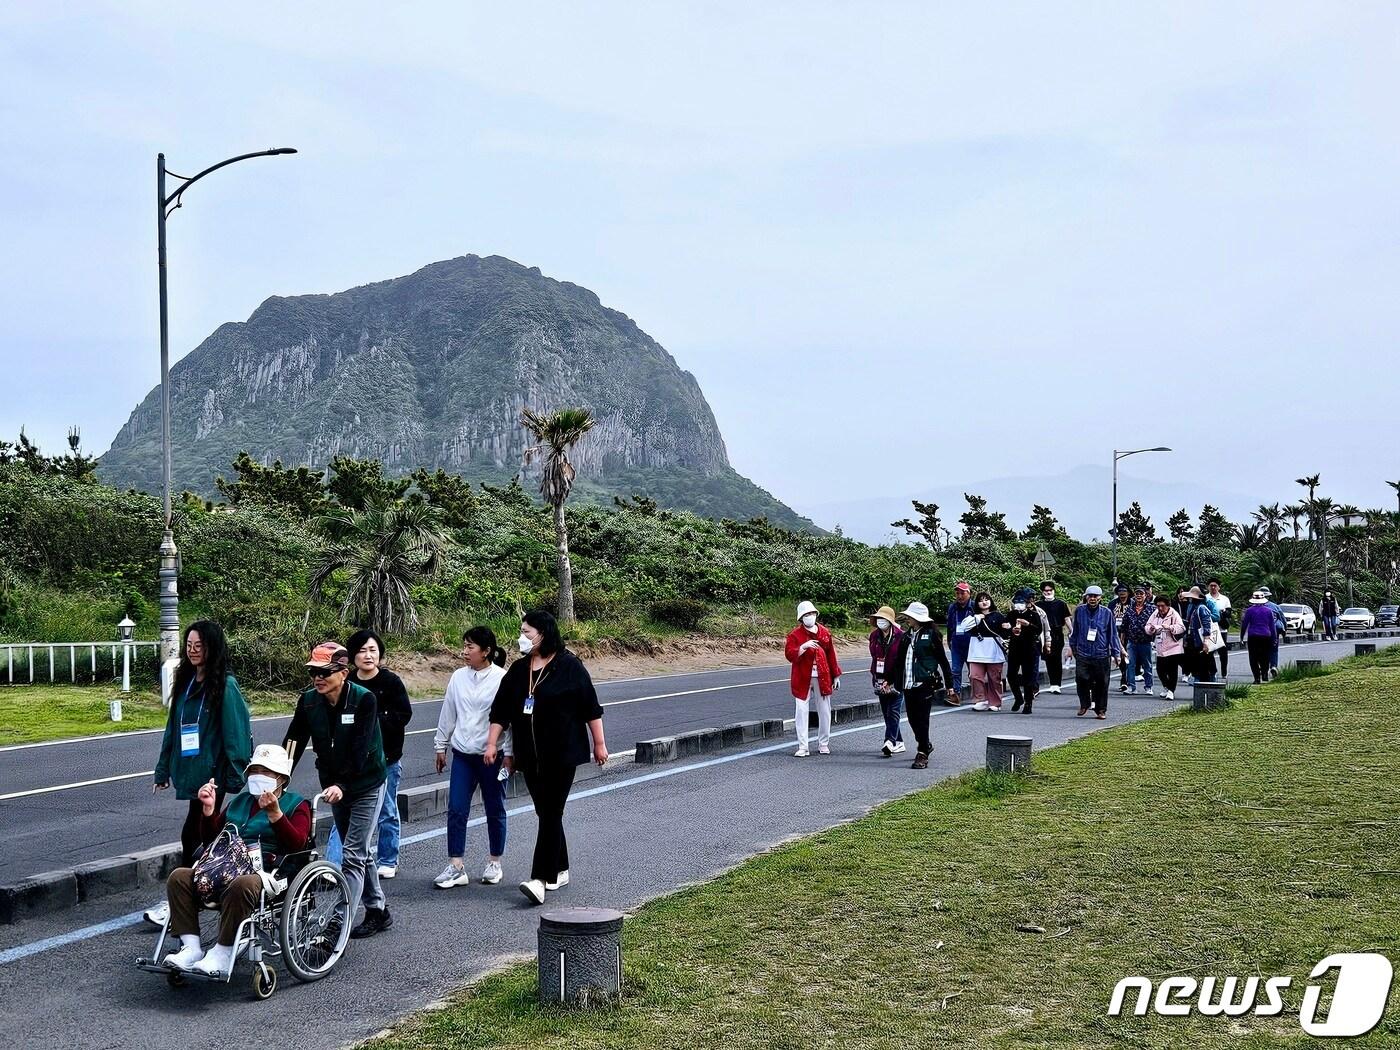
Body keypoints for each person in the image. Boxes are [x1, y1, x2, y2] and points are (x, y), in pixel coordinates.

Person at [485, 611, 607, 905]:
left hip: (562, 755)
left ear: (544, 633)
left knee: (551, 812)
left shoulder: (569, 666)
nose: (521, 637)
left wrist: (599, 744)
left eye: (527, 632)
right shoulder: (519, 669)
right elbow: (501, 711)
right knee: (547, 814)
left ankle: (540, 878)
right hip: (530, 758)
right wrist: (493, 744)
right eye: (521, 631)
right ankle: (560, 868)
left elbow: (591, 707)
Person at [161, 744, 311, 975]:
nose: (258, 777)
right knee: (179, 877)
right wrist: (209, 811)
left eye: (266, 773)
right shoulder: (240, 802)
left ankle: (223, 952)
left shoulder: (297, 805)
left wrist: (276, 815)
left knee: (242, 884)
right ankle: (191, 949)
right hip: (225, 865)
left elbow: (297, 844)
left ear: (280, 778)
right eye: (254, 772)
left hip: (268, 871)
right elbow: (213, 840)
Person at [283, 642, 391, 939]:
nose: (318, 678)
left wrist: (342, 785)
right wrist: (279, 778)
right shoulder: (308, 702)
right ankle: (378, 910)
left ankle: (337, 926)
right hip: (333, 784)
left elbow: (360, 749)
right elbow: (293, 741)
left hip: (366, 782)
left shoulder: (363, 700)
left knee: (353, 855)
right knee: (358, 848)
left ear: (343, 673)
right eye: (313, 672)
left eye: (325, 672)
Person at [148, 620, 252, 927]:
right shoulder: (187, 681)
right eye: (189, 646)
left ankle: (187, 895)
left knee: (194, 832)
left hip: (212, 774)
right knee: (197, 833)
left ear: (213, 648)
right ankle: (198, 888)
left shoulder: (225, 686)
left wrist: (233, 776)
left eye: (200, 646)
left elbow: (235, 733)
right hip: (192, 770)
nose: (193, 652)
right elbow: (172, 729)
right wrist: (162, 768)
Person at [322, 631, 414, 879]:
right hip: (350, 762)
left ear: (380, 654)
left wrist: (371, 725)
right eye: (362, 650)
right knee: (342, 810)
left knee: (387, 810)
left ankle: (388, 859)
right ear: (352, 656)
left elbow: (403, 714)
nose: (368, 655)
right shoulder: (346, 682)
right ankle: (334, 863)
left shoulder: (391, 682)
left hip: (386, 760)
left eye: (373, 650)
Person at [434, 627, 510, 888]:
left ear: (486, 651)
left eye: (470, 647)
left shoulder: (502, 678)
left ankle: (494, 861)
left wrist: (509, 754)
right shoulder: (457, 677)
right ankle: (456, 865)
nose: (464, 652)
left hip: (492, 756)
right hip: (463, 755)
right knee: (456, 808)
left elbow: (508, 720)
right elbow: (449, 712)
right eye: (464, 646)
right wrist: (440, 746)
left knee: (494, 808)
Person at [892, 602, 955, 770]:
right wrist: (892, 680)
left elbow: (942, 660)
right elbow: (899, 661)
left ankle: (922, 753)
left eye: (910, 617)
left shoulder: (932, 634)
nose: (907, 619)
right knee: (912, 719)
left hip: (925, 682)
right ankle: (925, 744)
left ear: (917, 618)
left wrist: (950, 684)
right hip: (908, 683)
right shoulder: (906, 636)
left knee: (922, 719)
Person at [784, 600, 842, 757]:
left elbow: (831, 655)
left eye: (812, 614)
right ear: (801, 618)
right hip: (802, 677)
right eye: (806, 615)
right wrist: (803, 647)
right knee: (801, 710)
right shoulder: (795, 635)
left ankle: (823, 743)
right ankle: (803, 746)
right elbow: (790, 654)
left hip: (822, 676)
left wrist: (835, 675)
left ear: (816, 615)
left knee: (824, 710)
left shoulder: (824, 633)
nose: (809, 617)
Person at [1068, 585, 1118, 719]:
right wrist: (1072, 647)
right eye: (1090, 596)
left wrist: (1116, 653)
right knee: (1081, 679)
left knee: (1102, 682)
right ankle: (1084, 704)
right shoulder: (1079, 611)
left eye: (1095, 596)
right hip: (1083, 652)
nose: (1092, 599)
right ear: (1086, 597)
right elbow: (1074, 631)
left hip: (1101, 653)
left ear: (1100, 598)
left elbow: (1113, 634)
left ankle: (1101, 710)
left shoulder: (1107, 613)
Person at [957, 591, 1008, 712]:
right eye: (981, 600)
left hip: (994, 650)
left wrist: (1008, 628)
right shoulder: (972, 616)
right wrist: (977, 618)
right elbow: (964, 627)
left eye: (986, 599)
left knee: (994, 678)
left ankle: (995, 702)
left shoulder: (998, 616)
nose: (984, 602)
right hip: (976, 651)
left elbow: (1005, 632)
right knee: (975, 676)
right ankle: (980, 700)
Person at [867, 605, 905, 757]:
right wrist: (879, 679)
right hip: (879, 678)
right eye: (878, 619)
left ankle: (889, 741)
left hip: (896, 678)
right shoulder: (874, 636)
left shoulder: (901, 636)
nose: (880, 621)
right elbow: (874, 657)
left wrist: (891, 681)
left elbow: (901, 662)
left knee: (893, 710)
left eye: (884, 619)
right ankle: (899, 742)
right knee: (886, 712)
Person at [1004, 588, 1044, 714]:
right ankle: (1018, 698)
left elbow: (1038, 630)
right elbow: (1006, 630)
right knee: (1011, 675)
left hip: (1029, 649)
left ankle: (1028, 703)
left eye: (1022, 601)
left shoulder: (1034, 615)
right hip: (1015, 648)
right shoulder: (1011, 615)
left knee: (1028, 677)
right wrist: (1010, 630)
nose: (1019, 604)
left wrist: (1028, 625)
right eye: (1017, 602)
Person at [1145, 595, 1187, 700]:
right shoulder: (1155, 614)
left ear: (1168, 606)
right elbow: (1147, 626)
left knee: (1172, 670)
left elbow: (1182, 627)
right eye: (1158, 606)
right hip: (1160, 645)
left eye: (1162, 606)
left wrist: (1170, 628)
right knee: (1160, 670)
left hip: (1174, 646)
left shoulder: (1174, 614)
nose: (1160, 608)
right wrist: (1151, 629)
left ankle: (1171, 691)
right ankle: (1166, 687)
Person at [1037, 581, 1072, 694]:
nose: (1048, 592)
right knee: (1048, 658)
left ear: (1054, 591)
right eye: (1046, 591)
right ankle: (1053, 682)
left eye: (1050, 590)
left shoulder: (1061, 604)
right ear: (1042, 592)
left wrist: (1072, 631)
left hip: (1057, 633)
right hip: (1044, 634)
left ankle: (1056, 684)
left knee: (1056, 658)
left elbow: (1066, 619)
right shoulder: (1038, 605)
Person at [1178, 586, 1217, 684]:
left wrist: (1206, 641)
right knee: (1195, 661)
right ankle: (1198, 679)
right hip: (1193, 639)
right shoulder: (1193, 608)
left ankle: (1205, 682)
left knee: (1204, 663)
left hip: (1201, 640)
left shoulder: (1202, 608)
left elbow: (1206, 625)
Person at [1120, 587, 1155, 695]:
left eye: (1141, 594)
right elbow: (1124, 626)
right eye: (1137, 594)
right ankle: (1131, 686)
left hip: (1146, 641)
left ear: (1145, 596)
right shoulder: (1130, 609)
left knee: (1147, 665)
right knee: (1130, 664)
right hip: (1132, 641)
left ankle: (1148, 686)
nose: (1139, 596)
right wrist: (1122, 640)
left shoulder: (1151, 609)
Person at [1240, 591, 1280, 683]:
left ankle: (1257, 678)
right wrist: (1274, 638)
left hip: (1253, 636)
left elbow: (1244, 624)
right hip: (1266, 636)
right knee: (1265, 656)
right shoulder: (1268, 611)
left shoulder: (1249, 611)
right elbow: (1272, 626)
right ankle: (1265, 675)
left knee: (1253, 657)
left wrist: (1241, 637)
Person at [945, 582, 975, 696]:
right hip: (956, 643)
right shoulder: (952, 607)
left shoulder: (974, 606)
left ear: (969, 593)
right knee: (955, 670)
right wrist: (949, 640)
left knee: (973, 672)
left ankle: (977, 694)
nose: (959, 596)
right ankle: (955, 694)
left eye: (962, 593)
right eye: (957, 593)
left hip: (971, 644)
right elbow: (949, 626)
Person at [1206, 579, 1233, 679]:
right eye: (1211, 586)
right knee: (1209, 652)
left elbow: (1229, 613)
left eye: (1215, 586)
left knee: (1223, 651)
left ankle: (1224, 672)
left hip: (1221, 629)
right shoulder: (1205, 598)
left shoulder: (1224, 599)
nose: (1213, 587)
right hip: (1210, 628)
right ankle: (1212, 671)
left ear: (1219, 587)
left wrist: (1224, 613)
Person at [1258, 586, 1286, 678]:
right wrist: (1284, 630)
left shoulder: (1255, 607)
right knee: (1273, 650)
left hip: (1260, 633)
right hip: (1273, 632)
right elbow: (1282, 619)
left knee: (1261, 650)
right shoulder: (1275, 607)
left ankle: (1262, 668)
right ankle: (1273, 666)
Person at [1109, 585, 1132, 692]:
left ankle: (1125, 680)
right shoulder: (1112, 604)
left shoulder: (1132, 603)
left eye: (1124, 591)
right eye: (1120, 591)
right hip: (1115, 633)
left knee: (1126, 657)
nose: (1122, 593)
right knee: (1119, 657)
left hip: (1129, 634)